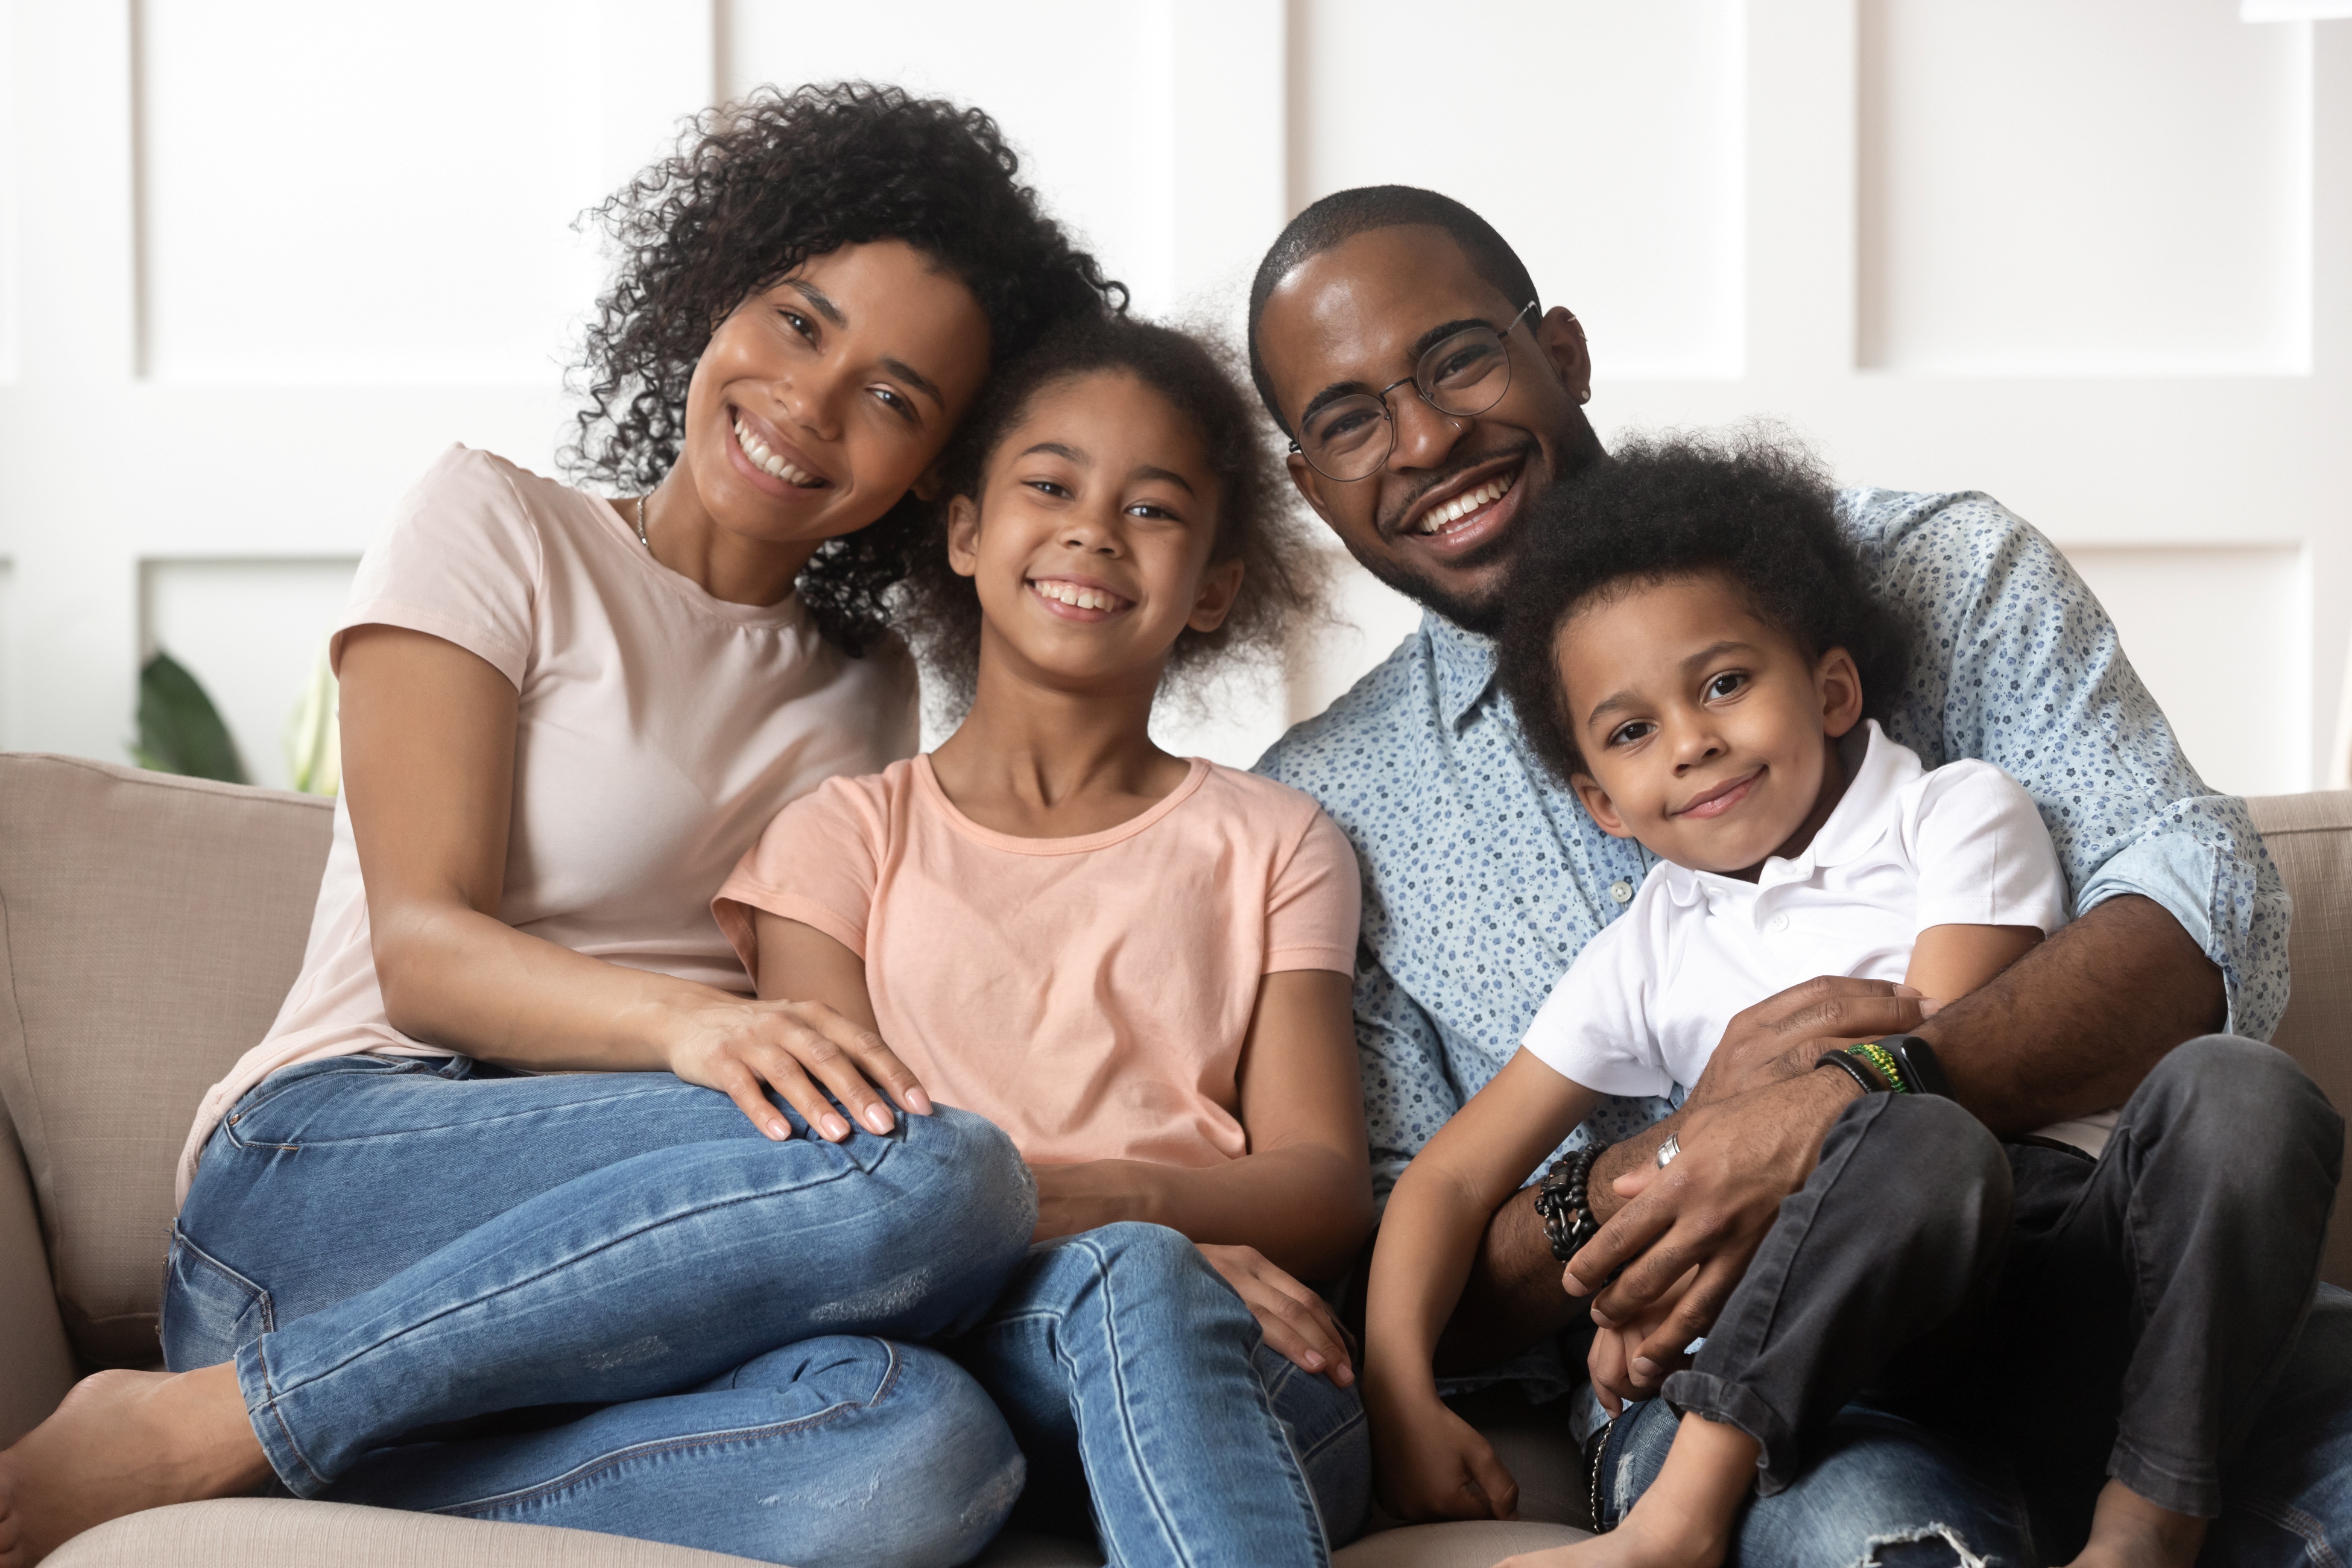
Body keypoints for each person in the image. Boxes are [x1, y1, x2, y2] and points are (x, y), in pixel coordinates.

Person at [0, 84, 1129, 1568]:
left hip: (593, 1270)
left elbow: (829, 1063)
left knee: (925, 1450)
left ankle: (293, 1458)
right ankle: (206, 1420)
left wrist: (1137, 1225)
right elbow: (424, 951)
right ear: (718, 287)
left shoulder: (868, 686)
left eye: (897, 397)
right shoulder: (492, 523)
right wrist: (695, 1030)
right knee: (934, 1173)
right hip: (332, 1171)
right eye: (799, 321)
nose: (811, 400)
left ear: (940, 474)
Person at [1243, 183, 2350, 1564]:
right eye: (1347, 418)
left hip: (2112, 1289)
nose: (1422, 438)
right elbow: (1419, 1239)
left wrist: (1837, 1107)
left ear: (1562, 355)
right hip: (1759, 1392)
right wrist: (1675, 1159)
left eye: (1458, 357)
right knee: (1875, 1531)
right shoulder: (1329, 809)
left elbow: (2200, 914)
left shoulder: (1943, 574)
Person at [713, 311, 1373, 1567]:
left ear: (1214, 588)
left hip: (1246, 1365)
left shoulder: (1281, 842)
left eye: (1156, 510)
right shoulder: (839, 841)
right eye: (1053, 486)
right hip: (969, 1354)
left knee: (1144, 1281)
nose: (1093, 530)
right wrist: (1143, 1238)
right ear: (967, 531)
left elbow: (1324, 1184)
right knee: (1129, 1276)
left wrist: (1136, 1216)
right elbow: (847, 1187)